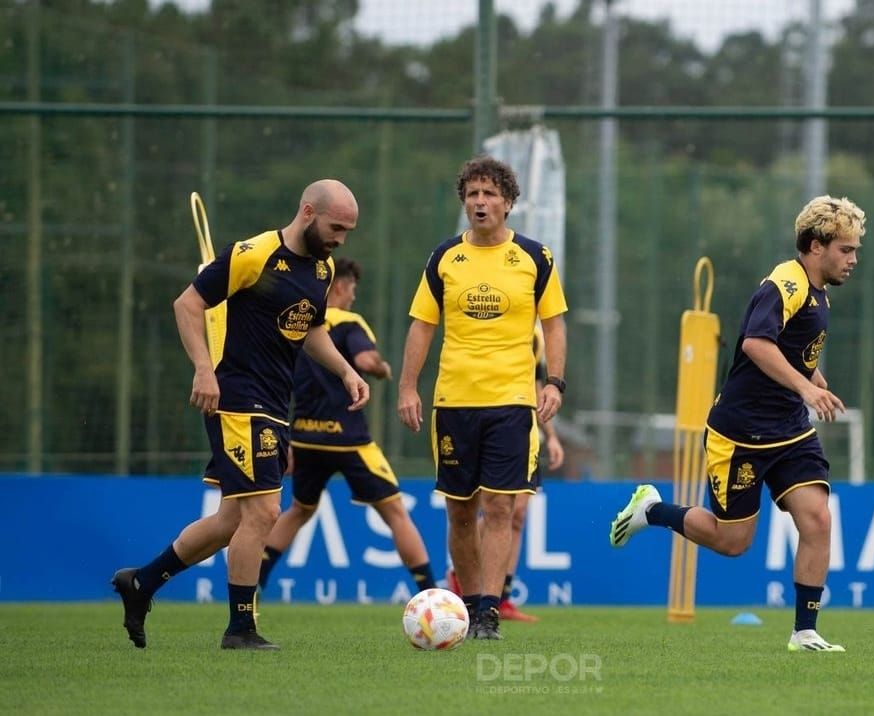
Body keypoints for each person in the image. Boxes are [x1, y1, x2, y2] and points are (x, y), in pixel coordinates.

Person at [112, 179, 368, 650]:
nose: (340, 239)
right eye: (336, 227)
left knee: (231, 521)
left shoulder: (322, 270)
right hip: (236, 397)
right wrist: (203, 371)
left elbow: (310, 333)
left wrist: (346, 372)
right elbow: (187, 305)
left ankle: (141, 583)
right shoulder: (253, 254)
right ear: (308, 211)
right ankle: (241, 629)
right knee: (264, 511)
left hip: (274, 402)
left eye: (348, 231)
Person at [609, 195, 865, 653]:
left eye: (854, 250)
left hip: (789, 430)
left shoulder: (818, 290)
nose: (853, 259)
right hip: (740, 433)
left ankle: (804, 632)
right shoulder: (785, 283)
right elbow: (755, 345)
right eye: (846, 249)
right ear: (815, 245)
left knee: (818, 519)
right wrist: (807, 390)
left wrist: (814, 377)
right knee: (732, 541)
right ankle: (652, 511)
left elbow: (791, 348)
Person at [398, 156, 568, 640]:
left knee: (499, 507)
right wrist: (409, 386)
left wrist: (554, 382)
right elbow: (422, 325)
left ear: (508, 203)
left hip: (512, 401)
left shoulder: (535, 257)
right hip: (453, 401)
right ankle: (469, 607)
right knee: (459, 509)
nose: (479, 201)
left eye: (489, 193)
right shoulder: (444, 258)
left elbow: (554, 325)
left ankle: (489, 611)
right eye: (472, 194)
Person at [258, 257, 437, 595]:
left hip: (306, 437)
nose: (354, 295)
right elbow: (365, 360)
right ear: (339, 286)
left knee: (299, 510)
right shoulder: (349, 323)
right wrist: (382, 369)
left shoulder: (298, 322)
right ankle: (429, 591)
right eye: (352, 288)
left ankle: (254, 580)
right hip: (348, 439)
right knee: (396, 511)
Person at [447, 325, 565, 622]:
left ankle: (503, 597)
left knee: (517, 514)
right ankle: (465, 577)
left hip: (525, 427)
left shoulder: (536, 333)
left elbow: (537, 384)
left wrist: (550, 434)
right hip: (495, 419)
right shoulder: (508, 323)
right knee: (496, 510)